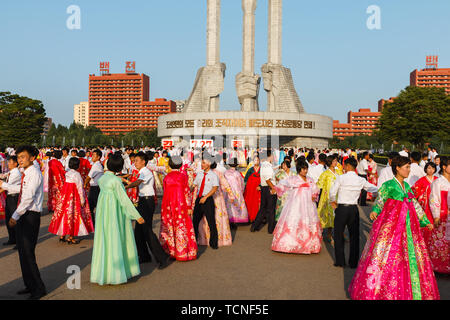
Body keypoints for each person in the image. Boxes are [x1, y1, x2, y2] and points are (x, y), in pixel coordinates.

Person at [348, 156, 440, 300]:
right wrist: (374, 211)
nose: (409, 170)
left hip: (408, 229)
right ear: (397, 168)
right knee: (387, 256)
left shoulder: (407, 187)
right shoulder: (389, 185)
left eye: (409, 167)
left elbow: (415, 205)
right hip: (391, 228)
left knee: (408, 258)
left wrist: (425, 221)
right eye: (406, 167)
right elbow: (380, 200)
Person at [90, 153, 145, 285]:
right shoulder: (116, 181)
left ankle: (103, 273)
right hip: (114, 214)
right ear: (120, 168)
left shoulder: (102, 179)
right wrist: (136, 216)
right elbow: (124, 200)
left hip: (104, 213)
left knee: (105, 240)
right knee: (116, 239)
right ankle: (117, 273)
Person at [4, 146, 46, 299]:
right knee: (22, 252)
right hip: (25, 214)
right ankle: (29, 285)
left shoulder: (33, 173)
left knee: (28, 254)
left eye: (23, 157)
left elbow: (28, 198)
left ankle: (39, 288)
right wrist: (4, 185)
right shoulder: (26, 172)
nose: (20, 160)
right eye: (19, 157)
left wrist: (15, 216)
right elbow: (20, 189)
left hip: (30, 215)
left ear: (32, 158)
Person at [329, 157, 378, 268]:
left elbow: (332, 192)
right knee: (354, 236)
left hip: (342, 208)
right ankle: (353, 262)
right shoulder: (360, 180)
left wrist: (333, 202)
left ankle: (340, 261)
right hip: (353, 209)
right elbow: (373, 189)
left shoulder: (341, 178)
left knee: (338, 235)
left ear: (347, 166)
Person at [125, 152, 171, 268]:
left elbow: (137, 183)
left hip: (147, 201)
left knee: (147, 229)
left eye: (136, 160)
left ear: (143, 161)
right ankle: (144, 256)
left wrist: (126, 186)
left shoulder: (145, 172)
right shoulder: (141, 172)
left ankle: (162, 257)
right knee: (139, 231)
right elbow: (135, 181)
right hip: (142, 200)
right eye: (134, 160)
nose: (134, 162)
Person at [271, 160, 322, 254]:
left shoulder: (310, 179)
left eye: (306, 169)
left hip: (308, 205)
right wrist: (276, 189)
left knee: (308, 221)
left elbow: (315, 189)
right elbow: (283, 183)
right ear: (299, 170)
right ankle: (290, 244)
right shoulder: (294, 179)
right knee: (293, 220)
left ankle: (309, 245)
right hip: (296, 204)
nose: (305, 171)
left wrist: (314, 195)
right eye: (303, 169)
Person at [159, 156, 198, 261]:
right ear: (181, 165)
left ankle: (171, 251)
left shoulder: (166, 177)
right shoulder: (182, 177)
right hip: (181, 205)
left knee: (170, 226)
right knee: (181, 226)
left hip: (168, 205)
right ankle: (183, 252)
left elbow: (165, 192)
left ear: (169, 165)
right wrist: (189, 207)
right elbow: (186, 192)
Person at [48, 157, 94, 244]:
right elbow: (79, 188)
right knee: (73, 215)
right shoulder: (77, 175)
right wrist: (82, 199)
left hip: (65, 196)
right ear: (78, 165)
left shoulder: (67, 173)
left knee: (64, 214)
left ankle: (62, 235)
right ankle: (71, 237)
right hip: (74, 197)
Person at [197, 161, 233, 247]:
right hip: (217, 197)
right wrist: (231, 195)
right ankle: (218, 239)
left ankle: (205, 239)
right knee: (218, 218)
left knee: (205, 218)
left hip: (207, 197)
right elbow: (226, 185)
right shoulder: (218, 173)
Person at [191, 154, 220, 249]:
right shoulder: (199, 174)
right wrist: (188, 188)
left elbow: (215, 188)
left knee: (211, 222)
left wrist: (206, 197)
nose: (202, 164)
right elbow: (194, 185)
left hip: (208, 200)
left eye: (203, 163)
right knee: (195, 221)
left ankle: (214, 243)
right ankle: (194, 241)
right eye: (201, 162)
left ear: (209, 164)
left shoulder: (213, 175)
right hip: (199, 199)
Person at [429, 156, 450, 274]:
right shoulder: (438, 182)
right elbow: (434, 199)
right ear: (444, 167)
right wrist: (436, 216)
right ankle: (439, 266)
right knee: (440, 241)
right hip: (442, 215)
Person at [251, 150, 278, 234]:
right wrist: (273, 188)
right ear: (270, 156)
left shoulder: (264, 165)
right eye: (273, 155)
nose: (274, 157)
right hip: (269, 188)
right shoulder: (267, 166)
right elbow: (267, 179)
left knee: (263, 209)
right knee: (271, 210)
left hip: (264, 188)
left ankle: (255, 226)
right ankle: (270, 229)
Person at [412, 162, 438, 244]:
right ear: (425, 169)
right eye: (429, 168)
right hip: (425, 206)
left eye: (433, 168)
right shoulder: (422, 180)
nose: (431, 170)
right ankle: (423, 241)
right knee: (426, 223)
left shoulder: (437, 179)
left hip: (436, 205)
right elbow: (414, 191)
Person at [317, 155, 341, 243]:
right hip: (328, 197)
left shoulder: (339, 172)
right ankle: (329, 234)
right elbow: (319, 185)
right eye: (334, 161)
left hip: (338, 196)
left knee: (338, 216)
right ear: (330, 162)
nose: (336, 162)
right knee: (330, 215)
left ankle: (340, 234)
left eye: (336, 161)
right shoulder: (325, 174)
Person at [0, 156, 21, 246]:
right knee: (8, 218)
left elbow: (7, 186)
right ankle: (12, 239)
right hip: (9, 197)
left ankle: (18, 241)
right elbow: (3, 177)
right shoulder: (12, 172)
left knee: (14, 219)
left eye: (9, 162)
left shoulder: (16, 172)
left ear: (15, 163)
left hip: (14, 197)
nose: (8, 164)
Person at [224, 158, 249, 225]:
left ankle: (230, 218)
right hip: (237, 190)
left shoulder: (226, 172)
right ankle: (238, 218)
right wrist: (242, 190)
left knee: (229, 205)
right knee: (238, 203)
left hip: (228, 191)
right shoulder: (237, 173)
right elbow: (241, 183)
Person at [84, 149, 104, 225]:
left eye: (94, 155)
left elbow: (89, 177)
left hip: (95, 188)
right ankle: (93, 222)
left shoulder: (96, 165)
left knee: (92, 206)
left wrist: (85, 184)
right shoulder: (97, 164)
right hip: (96, 187)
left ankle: (94, 223)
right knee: (93, 206)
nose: (92, 157)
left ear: (98, 157)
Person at [243, 155, 261, 222]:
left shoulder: (261, 169)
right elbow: (245, 179)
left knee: (258, 202)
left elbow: (264, 179)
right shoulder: (250, 169)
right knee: (250, 202)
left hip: (258, 189)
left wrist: (260, 186)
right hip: (250, 189)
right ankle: (250, 217)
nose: (256, 161)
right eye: (255, 160)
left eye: (257, 160)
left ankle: (257, 217)